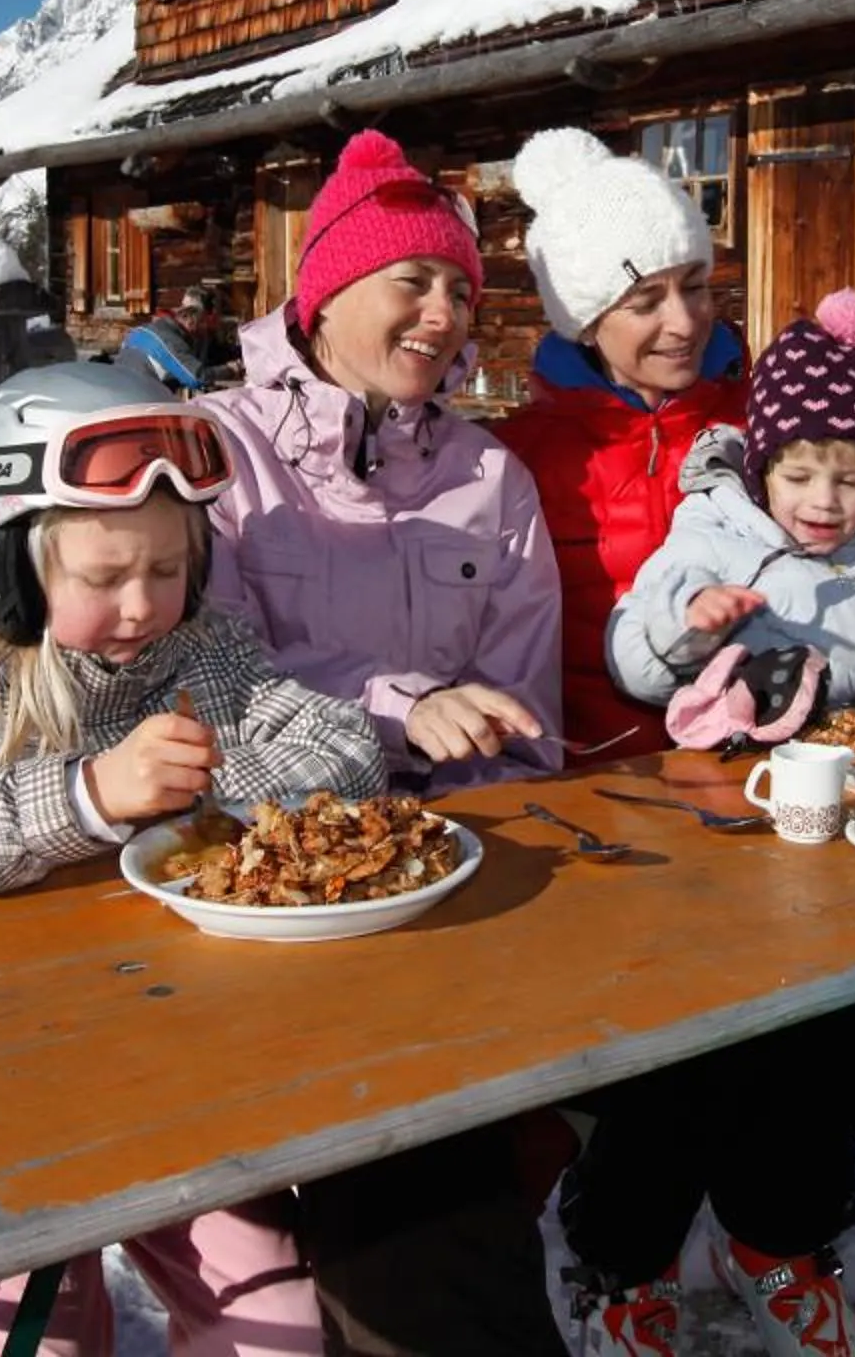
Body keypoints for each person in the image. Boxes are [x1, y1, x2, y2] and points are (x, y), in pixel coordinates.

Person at [0, 362, 382, 1356]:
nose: (143, 603)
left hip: (174, 1071)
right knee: (39, 1335)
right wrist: (84, 794)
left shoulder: (201, 650)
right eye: (105, 576)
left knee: (277, 1326)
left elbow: (344, 747)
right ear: (6, 564)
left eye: (169, 569)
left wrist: (194, 788)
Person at [197, 127, 569, 1356]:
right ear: (324, 292)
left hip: (444, 875)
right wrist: (403, 702)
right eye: (413, 277)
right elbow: (219, 678)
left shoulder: (489, 475)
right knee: (413, 1181)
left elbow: (523, 719)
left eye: (462, 285)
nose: (445, 308)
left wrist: (485, 842)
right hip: (258, 887)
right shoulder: (214, 451)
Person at [495, 126, 855, 771]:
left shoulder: (779, 417)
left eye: (696, 286)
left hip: (795, 761)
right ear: (586, 321)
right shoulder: (521, 459)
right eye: (647, 300)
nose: (684, 322)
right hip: (609, 779)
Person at [120, 286, 234, 392]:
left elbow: (216, 354)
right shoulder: (168, 340)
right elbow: (196, 377)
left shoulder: (157, 329)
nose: (209, 330)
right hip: (136, 401)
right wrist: (231, 369)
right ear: (192, 319)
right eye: (206, 323)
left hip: (132, 395)